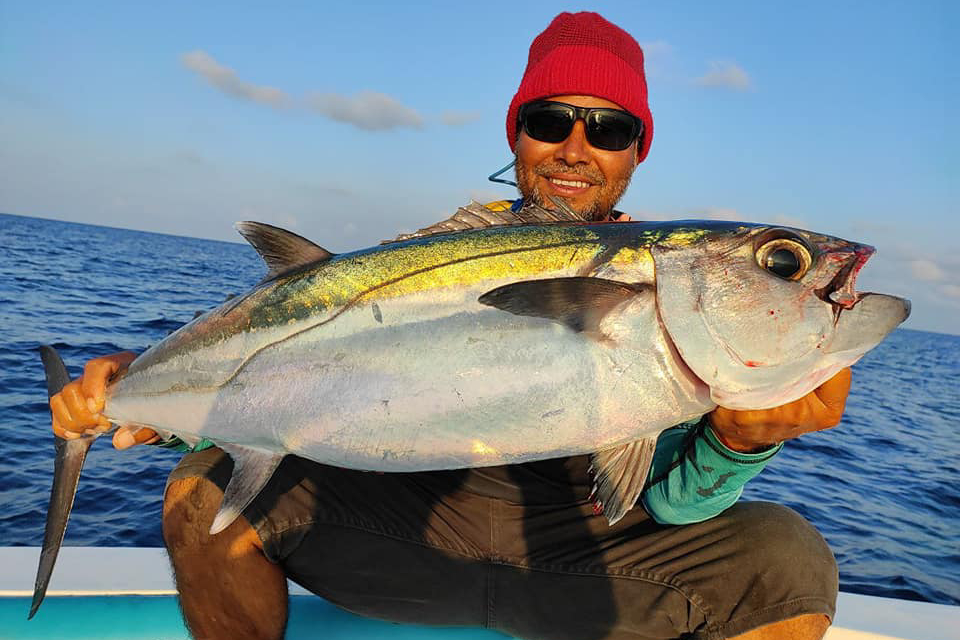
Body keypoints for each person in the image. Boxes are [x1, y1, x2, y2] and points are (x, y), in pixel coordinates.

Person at [49, 12, 851, 640]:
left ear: (636, 151)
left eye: (607, 129)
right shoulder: (431, 258)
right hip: (410, 535)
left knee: (787, 561)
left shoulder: (672, 295)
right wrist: (143, 399)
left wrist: (739, 442)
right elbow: (302, 379)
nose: (576, 147)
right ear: (517, 133)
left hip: (581, 566)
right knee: (202, 488)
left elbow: (672, 511)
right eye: (550, 119)